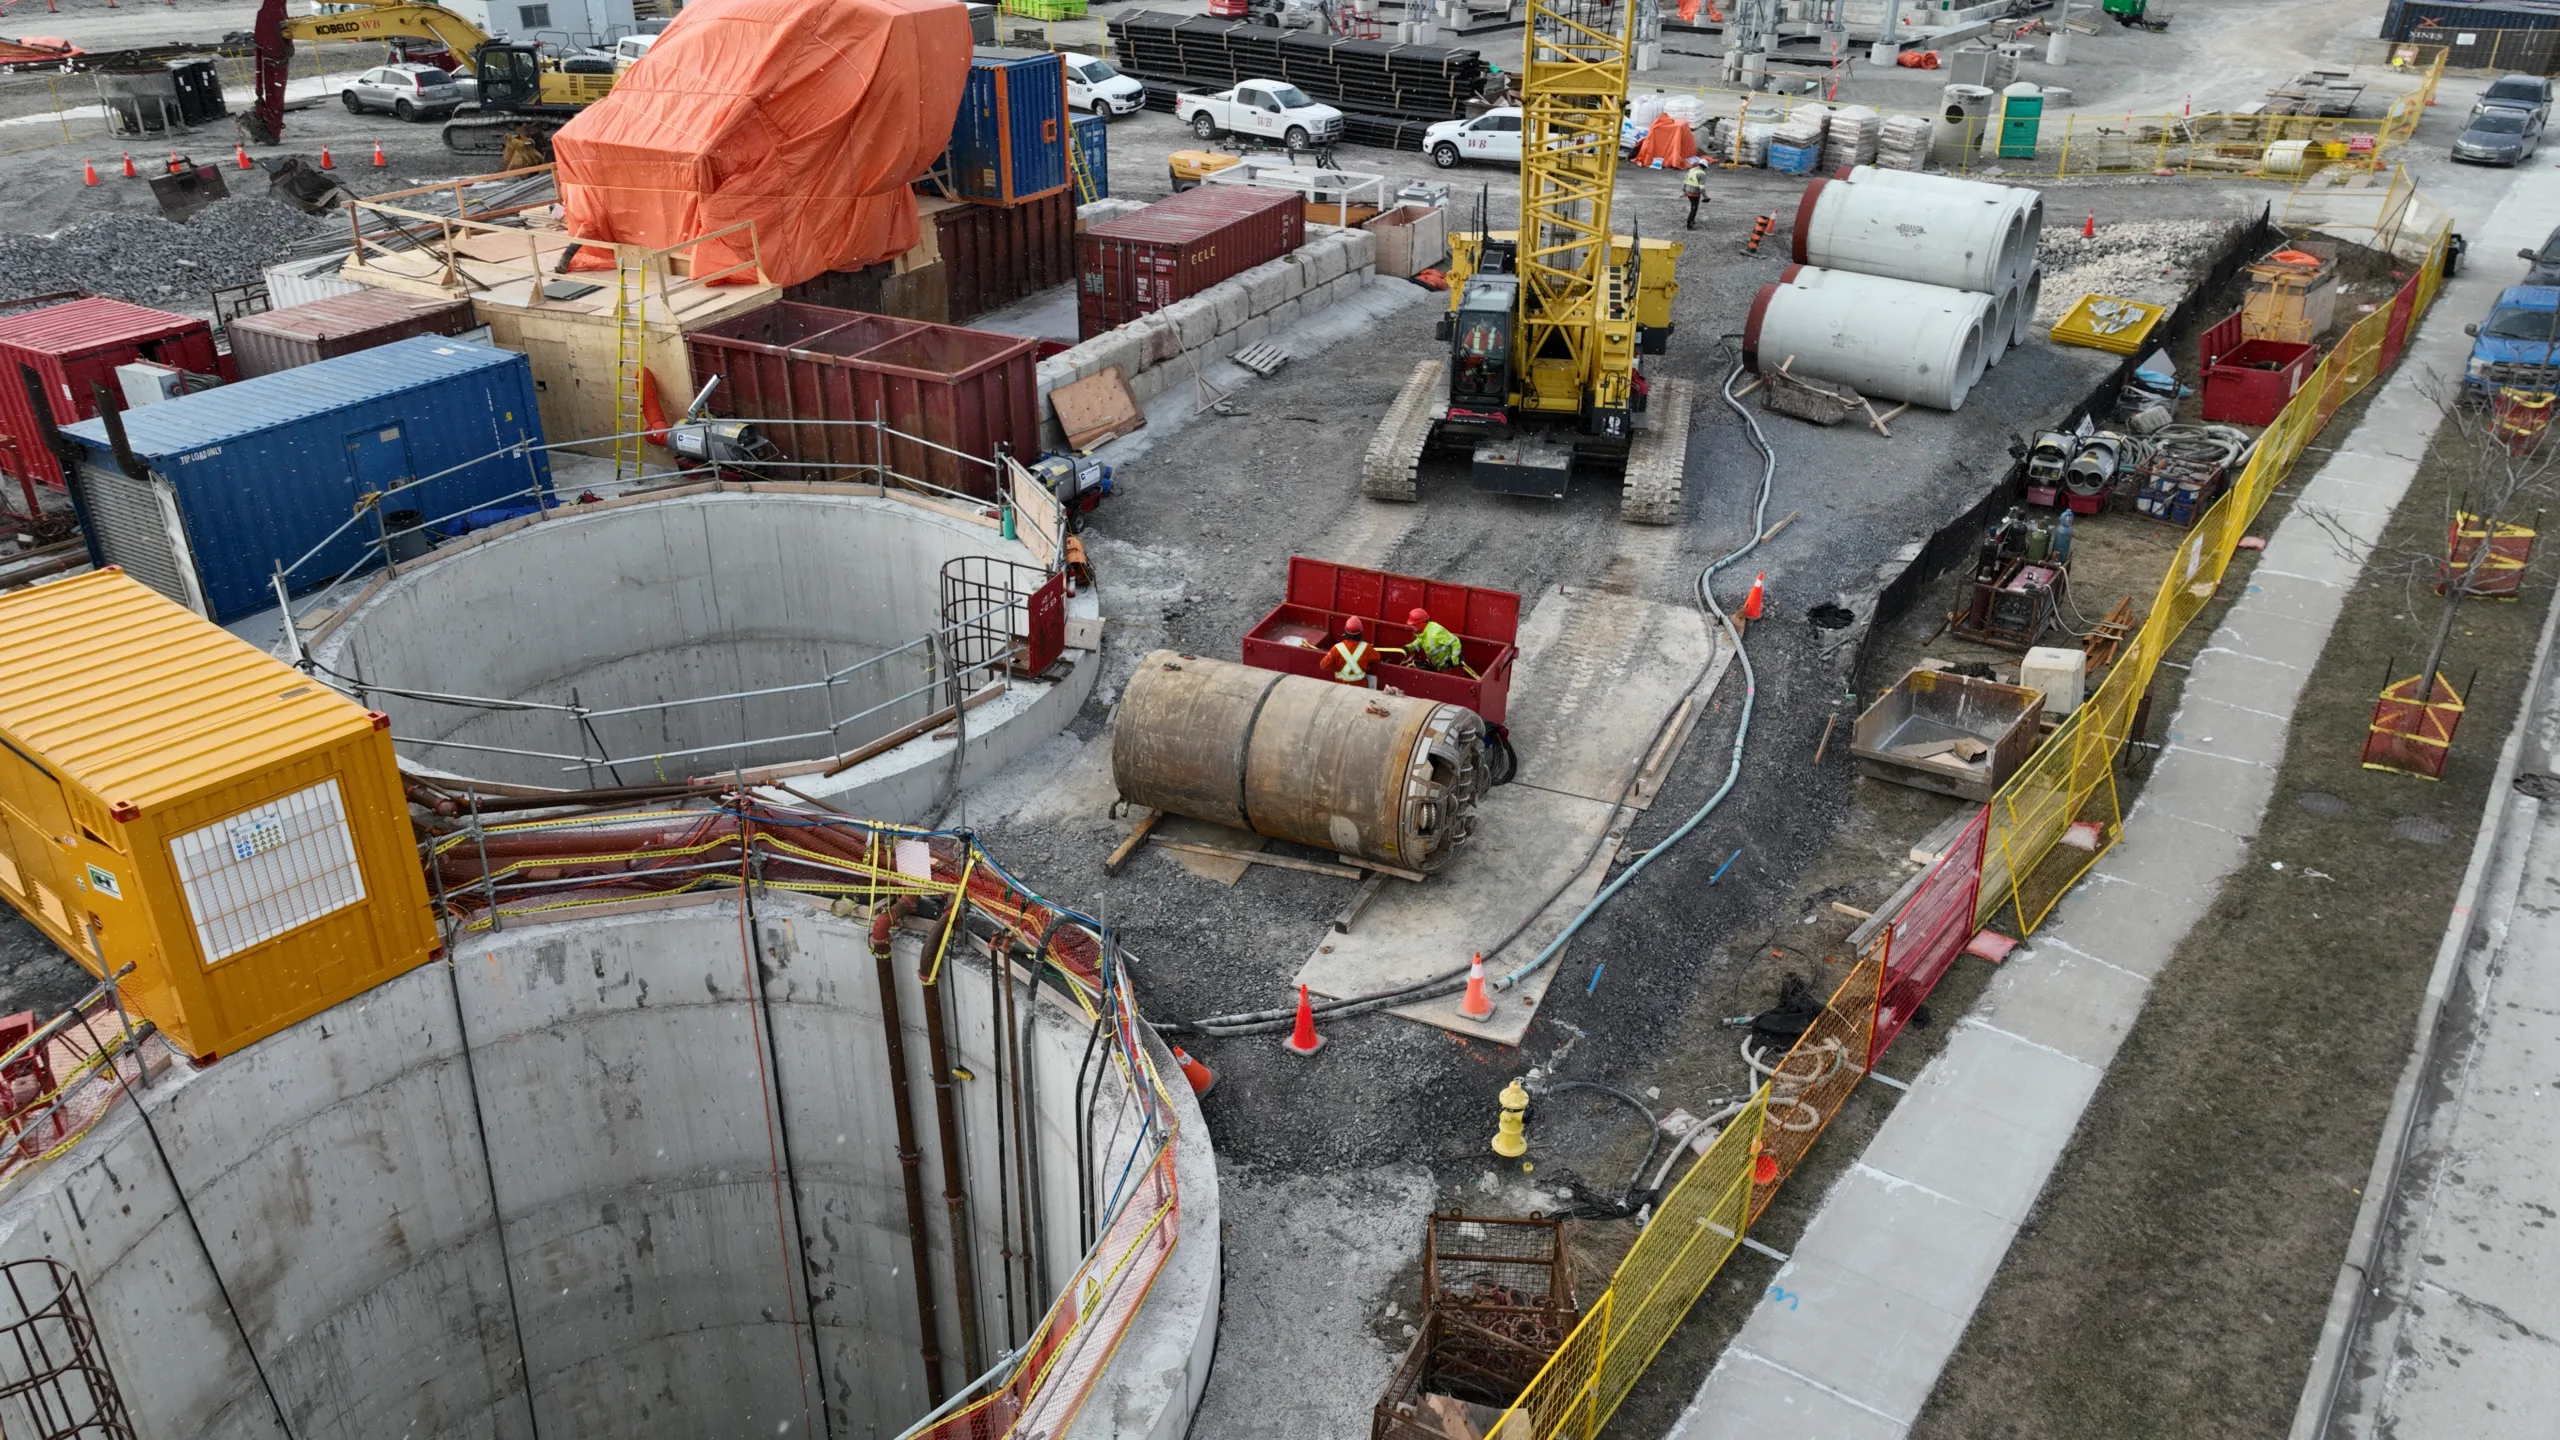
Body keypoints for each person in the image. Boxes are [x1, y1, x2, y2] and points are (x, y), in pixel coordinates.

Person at [1401, 607, 1477, 677]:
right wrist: (1408, 648)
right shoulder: (1423, 632)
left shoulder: (1436, 632)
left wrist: (1453, 661)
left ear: (1420, 624)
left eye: (1413, 624)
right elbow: (1420, 642)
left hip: (1449, 666)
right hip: (1437, 664)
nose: (1411, 627)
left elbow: (1455, 641)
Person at [1321, 616, 1377, 688]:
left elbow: (1323, 665)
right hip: (1361, 691)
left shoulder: (1336, 649)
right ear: (1360, 632)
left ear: (1345, 631)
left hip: (1340, 689)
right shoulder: (1366, 648)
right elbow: (1377, 658)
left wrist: (1337, 666)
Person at [1683, 158, 1711, 231]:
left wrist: (1684, 191)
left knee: (1693, 206)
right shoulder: (1702, 174)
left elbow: (1685, 180)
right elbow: (1702, 188)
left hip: (1688, 192)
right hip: (1695, 194)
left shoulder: (1691, 170)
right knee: (1694, 209)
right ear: (1705, 167)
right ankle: (1689, 224)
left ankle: (1692, 220)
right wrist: (1706, 197)